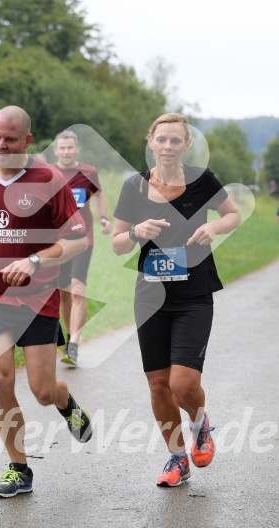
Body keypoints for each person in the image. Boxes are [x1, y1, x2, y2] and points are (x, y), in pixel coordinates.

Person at [0, 106, 93, 498]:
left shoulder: (48, 178)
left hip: (39, 295)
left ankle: (67, 404)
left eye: (10, 139)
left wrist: (34, 261)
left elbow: (77, 239)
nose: (0, 144)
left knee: (43, 391)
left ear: (27, 140)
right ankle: (19, 468)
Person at [112, 113, 241, 487]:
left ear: (186, 145)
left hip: (194, 295)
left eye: (175, 141)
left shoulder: (203, 180)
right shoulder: (134, 187)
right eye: (161, 139)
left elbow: (232, 214)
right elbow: (118, 242)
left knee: (183, 383)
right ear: (150, 142)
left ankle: (200, 425)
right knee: (157, 385)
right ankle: (177, 458)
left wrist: (214, 225)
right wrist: (136, 231)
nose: (167, 146)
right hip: (150, 297)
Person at [54, 130, 111, 366]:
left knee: (77, 288)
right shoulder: (49, 174)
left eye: (70, 147)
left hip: (83, 238)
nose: (66, 151)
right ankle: (70, 339)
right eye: (62, 148)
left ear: (76, 149)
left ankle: (75, 343)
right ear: (56, 150)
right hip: (58, 242)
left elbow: (99, 194)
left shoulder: (88, 172)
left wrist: (104, 217)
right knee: (63, 293)